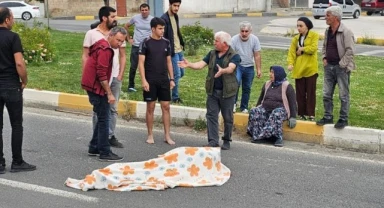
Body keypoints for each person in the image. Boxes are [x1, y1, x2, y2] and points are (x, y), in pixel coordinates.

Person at [178, 31, 240, 150]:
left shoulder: (234, 55)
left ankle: (226, 140)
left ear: (224, 43)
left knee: (227, 117)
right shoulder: (212, 54)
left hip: (227, 93)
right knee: (211, 116)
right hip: (212, 91)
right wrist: (189, 64)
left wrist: (223, 70)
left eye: (216, 41)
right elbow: (201, 65)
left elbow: (231, 68)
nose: (214, 43)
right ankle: (213, 141)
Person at [81, 26, 127, 161]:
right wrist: (109, 93)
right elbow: (101, 74)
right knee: (104, 118)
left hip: (91, 85)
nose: (119, 44)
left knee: (102, 116)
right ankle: (104, 152)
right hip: (96, 87)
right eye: (118, 40)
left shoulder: (101, 44)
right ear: (111, 35)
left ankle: (94, 146)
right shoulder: (105, 49)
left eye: (122, 42)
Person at [0, 7, 36, 174]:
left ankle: (0, 163)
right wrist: (24, 80)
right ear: (7, 19)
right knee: (16, 124)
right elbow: (19, 63)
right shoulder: (13, 37)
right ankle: (17, 161)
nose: (13, 20)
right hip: (11, 86)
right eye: (12, 17)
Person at [316, 6, 356, 129]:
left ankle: (343, 119)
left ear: (335, 17)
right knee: (326, 94)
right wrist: (324, 58)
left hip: (341, 68)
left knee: (343, 95)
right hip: (329, 67)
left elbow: (350, 51)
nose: (325, 18)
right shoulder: (328, 31)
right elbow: (324, 47)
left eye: (328, 15)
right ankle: (328, 117)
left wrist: (341, 65)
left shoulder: (346, 32)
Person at [138, 17, 176, 145]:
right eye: (160, 28)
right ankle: (150, 134)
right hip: (150, 79)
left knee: (166, 106)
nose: (162, 31)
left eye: (163, 28)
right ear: (153, 29)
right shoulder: (145, 42)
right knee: (151, 107)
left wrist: (172, 78)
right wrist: (144, 80)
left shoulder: (166, 42)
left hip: (163, 79)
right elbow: (141, 63)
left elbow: (169, 61)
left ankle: (167, 135)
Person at [247, 66, 297, 147]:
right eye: (270, 72)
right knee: (255, 111)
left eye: (273, 72)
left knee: (276, 113)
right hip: (266, 108)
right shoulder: (267, 84)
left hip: (281, 110)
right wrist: (257, 107)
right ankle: (259, 135)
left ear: (278, 74)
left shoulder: (287, 86)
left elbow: (293, 103)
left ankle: (277, 138)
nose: (270, 74)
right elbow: (261, 98)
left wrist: (293, 117)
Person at [287, 17, 319, 121]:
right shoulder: (295, 39)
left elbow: (313, 48)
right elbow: (291, 52)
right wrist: (290, 63)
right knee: (300, 93)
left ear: (307, 26)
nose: (299, 28)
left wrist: (302, 49)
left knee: (310, 92)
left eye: (301, 26)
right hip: (299, 69)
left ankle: (311, 114)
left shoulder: (314, 35)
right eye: (297, 26)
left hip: (310, 69)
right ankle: (301, 113)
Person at [231, 21, 262, 113]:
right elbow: (231, 55)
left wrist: (258, 69)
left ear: (250, 31)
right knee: (235, 84)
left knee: (247, 87)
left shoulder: (255, 39)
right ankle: (233, 104)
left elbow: (257, 55)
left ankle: (244, 107)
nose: (244, 33)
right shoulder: (234, 39)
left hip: (249, 66)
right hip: (238, 66)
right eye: (242, 31)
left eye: (246, 31)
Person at [125, 3, 153, 92]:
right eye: (142, 10)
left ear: (149, 11)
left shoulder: (152, 19)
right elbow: (126, 26)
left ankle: (147, 85)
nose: (144, 12)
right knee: (133, 66)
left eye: (146, 10)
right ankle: (131, 86)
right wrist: (128, 38)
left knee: (147, 66)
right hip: (136, 46)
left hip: (147, 47)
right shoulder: (135, 18)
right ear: (140, 11)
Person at [161, 0, 185, 104]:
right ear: (170, 5)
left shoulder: (175, 16)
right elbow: (163, 37)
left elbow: (176, 31)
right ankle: (175, 97)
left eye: (178, 6)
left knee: (181, 73)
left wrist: (182, 42)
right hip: (172, 51)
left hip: (179, 49)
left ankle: (168, 82)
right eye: (174, 5)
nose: (176, 8)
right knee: (177, 74)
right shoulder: (164, 19)